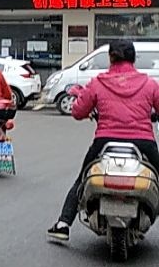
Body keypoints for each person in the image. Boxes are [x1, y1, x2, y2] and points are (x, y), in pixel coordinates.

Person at [48, 39, 159, 242]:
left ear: (111, 57)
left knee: (82, 179)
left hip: (105, 141)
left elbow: (78, 112)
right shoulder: (149, 84)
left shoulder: (98, 82)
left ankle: (63, 224)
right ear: (134, 58)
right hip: (143, 141)